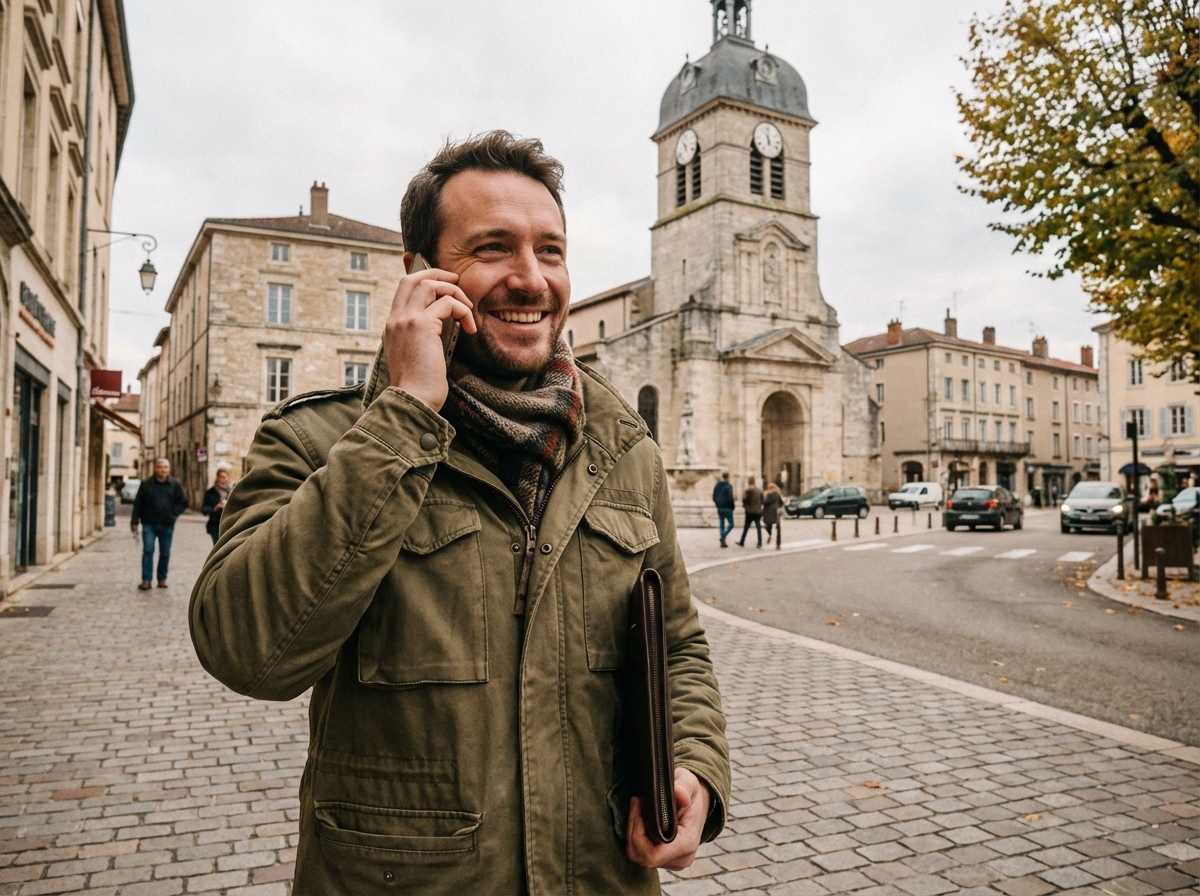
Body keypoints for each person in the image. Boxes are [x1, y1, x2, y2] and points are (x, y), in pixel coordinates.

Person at [189, 132, 729, 894]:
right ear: (420, 274)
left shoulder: (622, 448)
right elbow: (246, 651)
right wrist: (407, 413)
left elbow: (677, 646)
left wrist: (695, 765)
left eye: (550, 250)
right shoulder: (319, 440)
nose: (530, 278)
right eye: (493, 248)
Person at [131, 458, 188, 590]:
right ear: (155, 469)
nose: (163, 470)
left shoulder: (174, 485)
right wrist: (134, 521)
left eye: (166, 467)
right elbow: (138, 503)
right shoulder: (146, 484)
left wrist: (174, 514)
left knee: (165, 553)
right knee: (148, 550)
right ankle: (146, 580)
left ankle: (162, 579)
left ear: (169, 469)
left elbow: (183, 502)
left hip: (167, 524)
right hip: (149, 524)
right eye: (161, 467)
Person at [201, 468, 232, 545]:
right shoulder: (211, 492)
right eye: (221, 477)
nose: (223, 479)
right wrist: (215, 508)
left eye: (225, 477)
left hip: (229, 524)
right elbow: (204, 509)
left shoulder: (232, 491)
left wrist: (227, 506)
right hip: (215, 525)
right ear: (217, 478)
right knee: (217, 546)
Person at [738, 475, 764, 548]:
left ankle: (742, 541)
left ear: (748, 482)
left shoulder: (748, 490)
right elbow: (763, 500)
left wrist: (745, 505)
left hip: (749, 511)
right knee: (758, 527)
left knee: (746, 527)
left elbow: (744, 500)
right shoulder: (759, 490)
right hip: (758, 511)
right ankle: (759, 543)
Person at [712, 472, 735, 547]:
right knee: (731, 524)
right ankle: (723, 536)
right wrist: (732, 506)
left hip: (720, 507)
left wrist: (717, 504)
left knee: (722, 524)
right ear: (728, 477)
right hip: (727, 508)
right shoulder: (729, 486)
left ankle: (723, 541)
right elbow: (730, 497)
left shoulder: (717, 485)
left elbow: (714, 496)